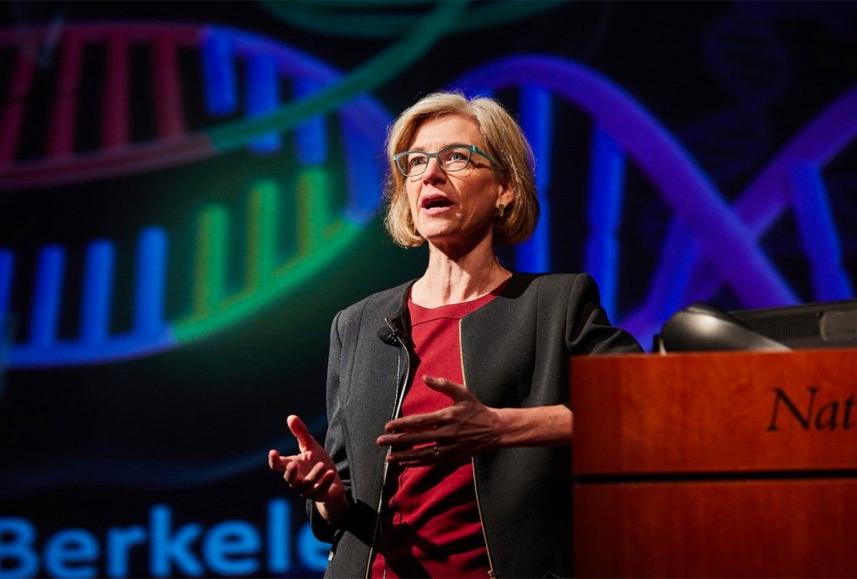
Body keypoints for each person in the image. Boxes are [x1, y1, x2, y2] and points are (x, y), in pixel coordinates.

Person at [268, 90, 642, 578]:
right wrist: (326, 495)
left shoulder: (555, 305)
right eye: (416, 162)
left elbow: (646, 408)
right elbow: (339, 508)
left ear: (505, 188)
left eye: (456, 157)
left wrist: (501, 428)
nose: (431, 174)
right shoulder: (357, 324)